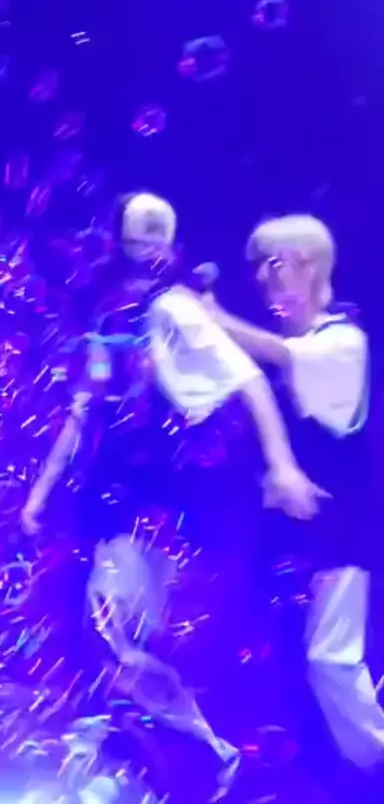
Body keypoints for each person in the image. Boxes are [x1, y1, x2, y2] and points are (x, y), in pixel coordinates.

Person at [202, 214, 383, 798]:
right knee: (285, 661)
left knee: (331, 659)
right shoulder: (292, 348)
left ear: (308, 266)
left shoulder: (343, 340)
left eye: (272, 264)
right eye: (257, 266)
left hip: (337, 533)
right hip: (286, 539)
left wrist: (210, 318)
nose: (261, 278)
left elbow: (283, 356)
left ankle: (375, 763)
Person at [22, 194, 324, 534]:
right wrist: (41, 491)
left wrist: (282, 465)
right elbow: (86, 405)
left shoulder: (172, 310)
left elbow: (249, 379)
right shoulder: (112, 325)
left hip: (192, 491)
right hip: (138, 489)